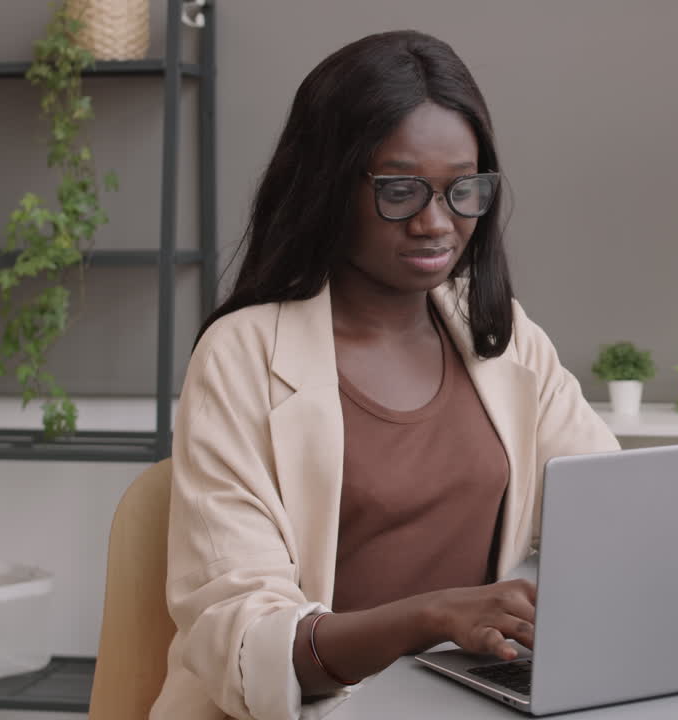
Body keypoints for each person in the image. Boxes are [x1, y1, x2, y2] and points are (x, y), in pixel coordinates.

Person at [150, 30, 620, 719]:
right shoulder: (240, 356)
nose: (437, 223)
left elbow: (605, 510)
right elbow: (244, 640)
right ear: (326, 185)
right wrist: (434, 615)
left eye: (464, 190)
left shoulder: (500, 333)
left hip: (457, 700)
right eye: (400, 190)